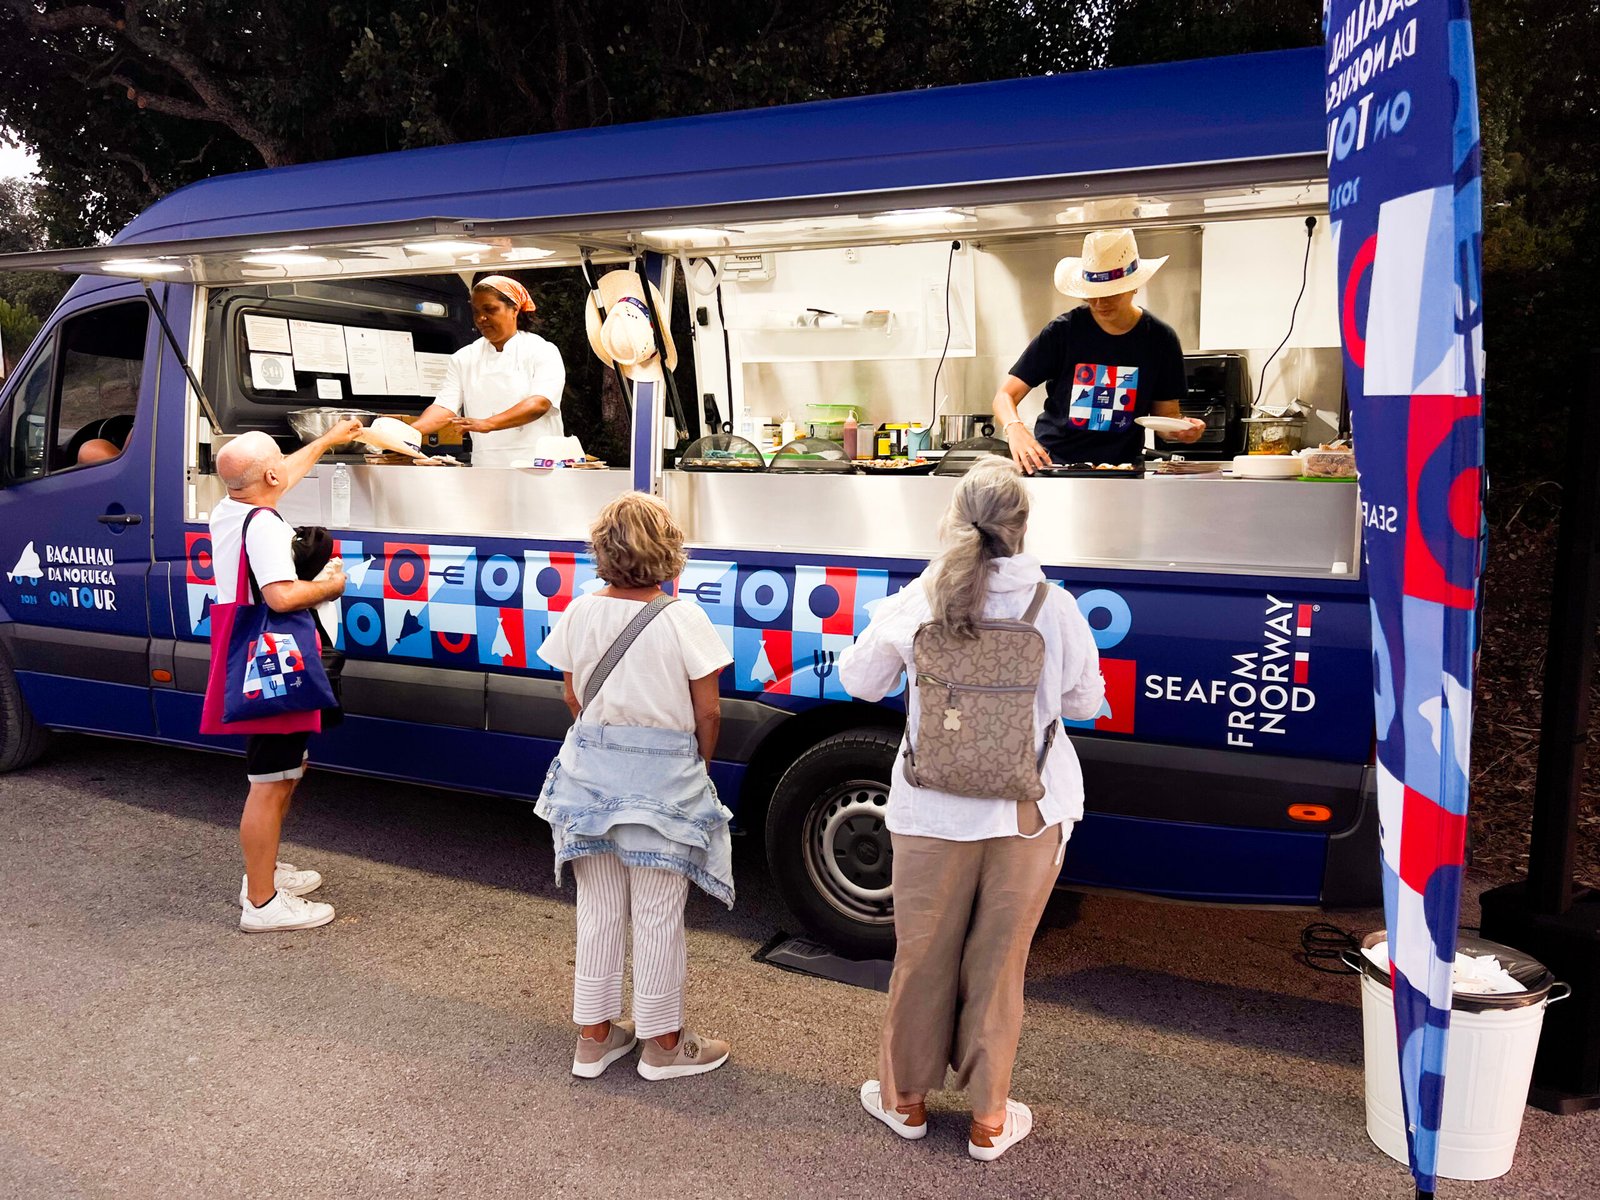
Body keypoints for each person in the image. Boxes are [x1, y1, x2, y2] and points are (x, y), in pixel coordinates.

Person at [838, 457, 1106, 1161]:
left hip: (930, 812)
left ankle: (906, 1103)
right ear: (1022, 526)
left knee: (921, 956)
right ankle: (990, 1121)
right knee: (1000, 962)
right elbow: (1083, 703)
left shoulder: (924, 595)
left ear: (955, 519)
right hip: (1030, 811)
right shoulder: (1056, 606)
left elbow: (861, 683)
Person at [535, 492, 735, 1081]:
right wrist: (699, 763)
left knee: (596, 905)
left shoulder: (579, 611)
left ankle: (594, 1039)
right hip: (664, 783)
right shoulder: (683, 617)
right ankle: (662, 1045)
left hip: (588, 781)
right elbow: (710, 712)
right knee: (656, 911)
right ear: (669, 551)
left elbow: (573, 696)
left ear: (603, 550)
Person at [212, 422, 360, 933]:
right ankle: (261, 901)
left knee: (284, 768)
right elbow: (279, 596)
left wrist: (328, 440)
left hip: (256, 654)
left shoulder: (231, 508)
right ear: (269, 474)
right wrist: (330, 585)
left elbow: (282, 472)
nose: (288, 468)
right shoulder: (267, 528)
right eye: (281, 461)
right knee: (271, 780)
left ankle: (265, 869)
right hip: (277, 659)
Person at [993, 227, 1205, 471]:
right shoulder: (1063, 331)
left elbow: (1166, 417)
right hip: (1056, 465)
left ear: (1134, 286)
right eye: (1091, 295)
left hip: (1121, 470)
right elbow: (1004, 396)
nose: (1099, 303)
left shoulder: (1160, 339)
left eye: (1110, 293)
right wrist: (1015, 429)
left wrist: (1183, 431)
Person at [410, 275, 566, 468]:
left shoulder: (542, 350)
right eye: (476, 312)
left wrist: (488, 423)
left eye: (490, 310)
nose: (481, 319)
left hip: (539, 465)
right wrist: (407, 432)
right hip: (487, 467)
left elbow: (539, 404)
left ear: (514, 309)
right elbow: (444, 408)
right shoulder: (464, 357)